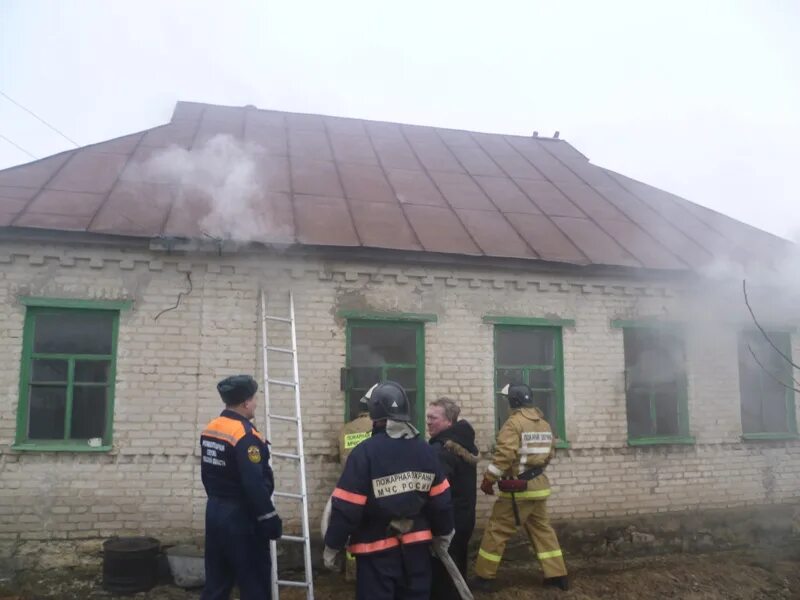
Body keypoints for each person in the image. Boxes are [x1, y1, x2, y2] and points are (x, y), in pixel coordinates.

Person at [323, 381, 455, 600]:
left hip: (375, 555)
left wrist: (333, 545)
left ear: (375, 413)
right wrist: (444, 534)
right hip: (417, 552)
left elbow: (347, 507)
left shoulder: (365, 453)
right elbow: (441, 502)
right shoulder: (425, 450)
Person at [473, 383, 568, 592]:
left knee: (497, 530)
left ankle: (484, 578)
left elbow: (504, 456)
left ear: (513, 401)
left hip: (519, 491)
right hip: (539, 487)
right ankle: (557, 575)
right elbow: (550, 454)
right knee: (542, 530)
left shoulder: (513, 423)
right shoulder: (544, 424)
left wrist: (488, 479)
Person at [200, 375, 283, 600]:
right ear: (246, 403)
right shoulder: (245, 436)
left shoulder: (211, 429)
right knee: (254, 583)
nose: (256, 403)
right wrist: (269, 518)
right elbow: (253, 482)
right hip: (242, 519)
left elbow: (206, 474)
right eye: (254, 399)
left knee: (216, 583)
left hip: (215, 512)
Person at [426, 397, 479, 600]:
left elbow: (436, 490)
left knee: (443, 577)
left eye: (434, 418)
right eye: (428, 417)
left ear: (449, 421)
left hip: (448, 523)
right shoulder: (463, 443)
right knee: (457, 569)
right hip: (464, 518)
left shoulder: (442, 451)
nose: (429, 421)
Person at [336, 397, 374, 581]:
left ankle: (352, 572)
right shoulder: (378, 427)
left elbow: (341, 457)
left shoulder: (346, 429)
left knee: (352, 530)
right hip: (373, 487)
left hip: (349, 485)